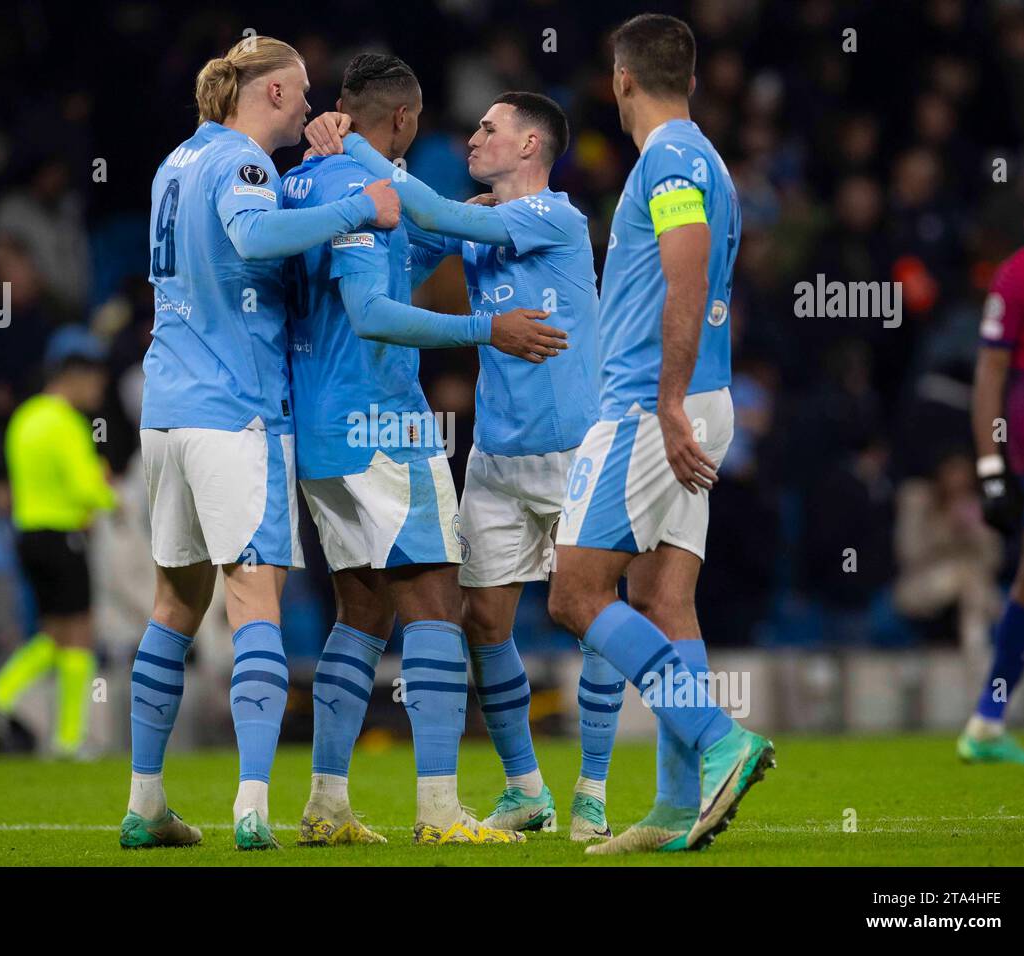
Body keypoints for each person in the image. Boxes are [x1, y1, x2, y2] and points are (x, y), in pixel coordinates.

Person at [306, 90, 620, 840]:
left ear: (531, 148)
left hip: (579, 449)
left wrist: (347, 140)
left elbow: (436, 213)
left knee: (592, 615)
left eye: (489, 128)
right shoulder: (481, 228)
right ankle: (525, 789)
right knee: (481, 620)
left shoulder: (556, 217)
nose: (473, 136)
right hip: (496, 458)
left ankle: (595, 791)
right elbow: (414, 238)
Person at [120, 36, 400, 852]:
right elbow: (250, 237)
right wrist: (358, 206)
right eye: (303, 92)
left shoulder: (175, 163)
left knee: (174, 605)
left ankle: (145, 802)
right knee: (254, 603)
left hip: (166, 410)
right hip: (235, 410)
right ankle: (250, 806)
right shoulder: (246, 166)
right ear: (270, 93)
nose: (312, 105)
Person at [545, 13, 773, 855]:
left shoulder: (669, 158)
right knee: (665, 599)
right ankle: (681, 806)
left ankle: (719, 737)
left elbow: (686, 264)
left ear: (621, 79)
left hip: (651, 404)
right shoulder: (709, 159)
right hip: (699, 396)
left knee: (574, 593)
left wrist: (668, 399)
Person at [0, 325, 116, 759]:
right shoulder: (65, 423)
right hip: (63, 537)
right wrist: (107, 489)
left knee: (54, 634)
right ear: (74, 376)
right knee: (79, 636)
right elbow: (86, 490)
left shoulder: (24, 419)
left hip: (27, 535)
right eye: (95, 378)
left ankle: (0, 695)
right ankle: (67, 738)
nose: (99, 387)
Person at [960, 172, 1024, 765]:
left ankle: (987, 720)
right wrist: (991, 468)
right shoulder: (1022, 273)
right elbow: (990, 375)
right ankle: (988, 718)